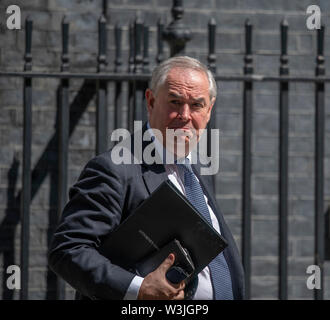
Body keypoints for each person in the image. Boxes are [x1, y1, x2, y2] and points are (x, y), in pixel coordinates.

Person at [48, 56, 245, 300]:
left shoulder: (197, 170)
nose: (185, 115)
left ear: (209, 110)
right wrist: (138, 289)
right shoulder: (114, 169)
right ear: (150, 102)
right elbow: (68, 250)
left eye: (196, 105)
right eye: (175, 102)